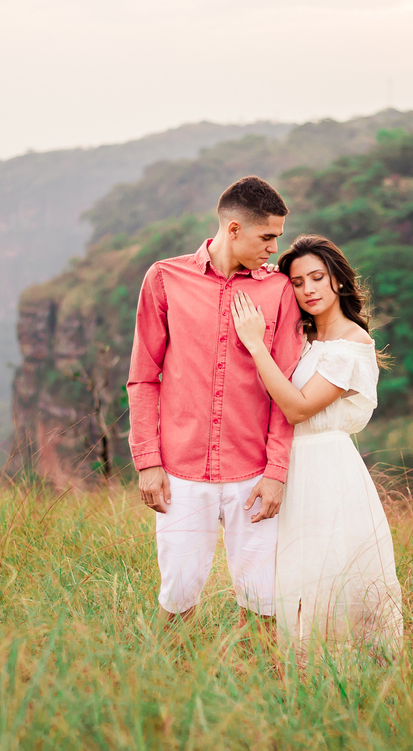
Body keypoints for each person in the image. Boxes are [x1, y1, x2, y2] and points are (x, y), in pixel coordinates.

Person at [127, 176, 304, 628]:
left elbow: (285, 388)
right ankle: (164, 688)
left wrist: (277, 473)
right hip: (180, 473)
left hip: (254, 475)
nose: (273, 248)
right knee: (177, 598)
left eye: (277, 237)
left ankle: (259, 693)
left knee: (263, 604)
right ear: (233, 230)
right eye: (267, 237)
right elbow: (144, 377)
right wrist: (148, 461)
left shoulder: (279, 291)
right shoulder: (165, 279)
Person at [231, 233, 403, 661]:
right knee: (285, 573)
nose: (307, 290)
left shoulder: (351, 344)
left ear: (338, 280)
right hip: (286, 464)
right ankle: (287, 668)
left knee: (328, 572)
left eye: (316, 278)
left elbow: (297, 408)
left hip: (325, 467)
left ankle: (341, 670)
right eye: (296, 282)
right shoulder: (301, 337)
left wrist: (254, 344)